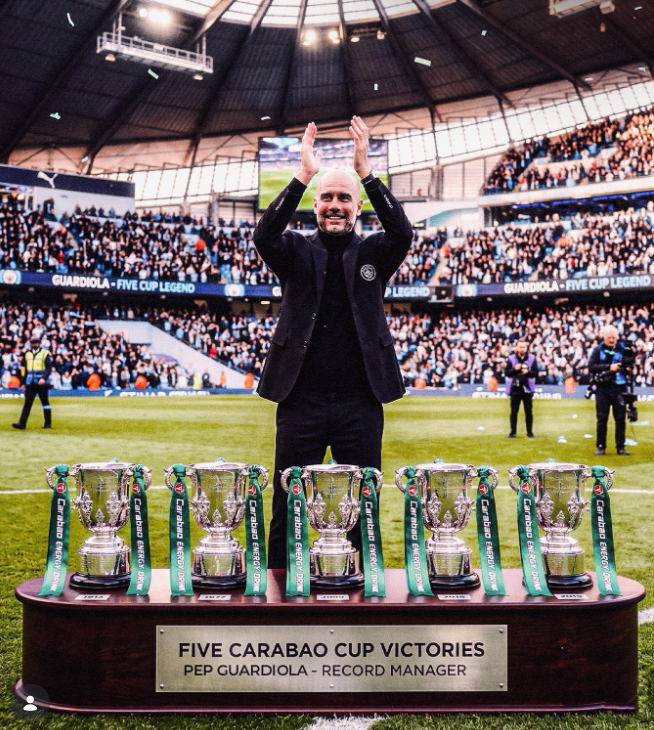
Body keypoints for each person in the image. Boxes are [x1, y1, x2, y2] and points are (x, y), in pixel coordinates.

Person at [253, 116, 413, 568]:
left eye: (344, 198)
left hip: (360, 400)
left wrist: (366, 172)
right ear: (315, 204)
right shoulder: (294, 250)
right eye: (327, 197)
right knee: (287, 501)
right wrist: (304, 173)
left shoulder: (375, 251)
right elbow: (264, 235)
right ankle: (281, 584)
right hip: (299, 399)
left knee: (363, 503)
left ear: (358, 206)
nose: (335, 205)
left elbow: (403, 232)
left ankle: (362, 581)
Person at [588, 324, 632, 456]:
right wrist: (609, 367)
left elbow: (629, 365)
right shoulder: (598, 350)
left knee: (620, 418)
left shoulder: (622, 349)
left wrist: (628, 368)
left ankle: (621, 447)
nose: (612, 340)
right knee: (602, 418)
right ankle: (601, 446)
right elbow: (591, 367)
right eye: (609, 337)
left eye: (614, 337)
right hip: (602, 388)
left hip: (619, 387)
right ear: (604, 337)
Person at [12, 333, 53, 430]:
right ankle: (22, 423)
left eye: (36, 342)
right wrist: (23, 383)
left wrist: (44, 378)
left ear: (39, 343)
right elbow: (26, 370)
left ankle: (47, 423)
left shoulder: (45, 353)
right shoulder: (27, 354)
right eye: (33, 343)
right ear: (31, 343)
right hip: (30, 382)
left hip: (41, 382)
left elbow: (49, 368)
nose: (35, 344)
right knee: (27, 403)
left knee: (45, 403)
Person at [505, 340, 538, 438]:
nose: (522, 349)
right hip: (515, 388)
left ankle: (530, 432)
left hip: (527, 388)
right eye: (520, 347)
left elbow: (536, 373)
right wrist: (514, 369)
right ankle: (513, 432)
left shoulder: (532, 358)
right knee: (514, 412)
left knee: (528, 412)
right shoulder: (511, 358)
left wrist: (527, 372)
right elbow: (507, 373)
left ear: (526, 348)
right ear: (516, 348)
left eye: (523, 347)